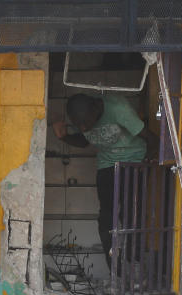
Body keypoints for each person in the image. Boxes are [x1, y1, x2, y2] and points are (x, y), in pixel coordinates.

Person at [53, 93, 158, 269]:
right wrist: (64, 137)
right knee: (106, 219)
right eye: (80, 125)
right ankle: (115, 269)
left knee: (130, 216)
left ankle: (135, 263)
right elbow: (85, 142)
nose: (84, 128)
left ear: (96, 107)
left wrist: (143, 166)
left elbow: (153, 140)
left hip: (132, 162)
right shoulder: (85, 119)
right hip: (107, 165)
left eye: (86, 123)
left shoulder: (118, 109)